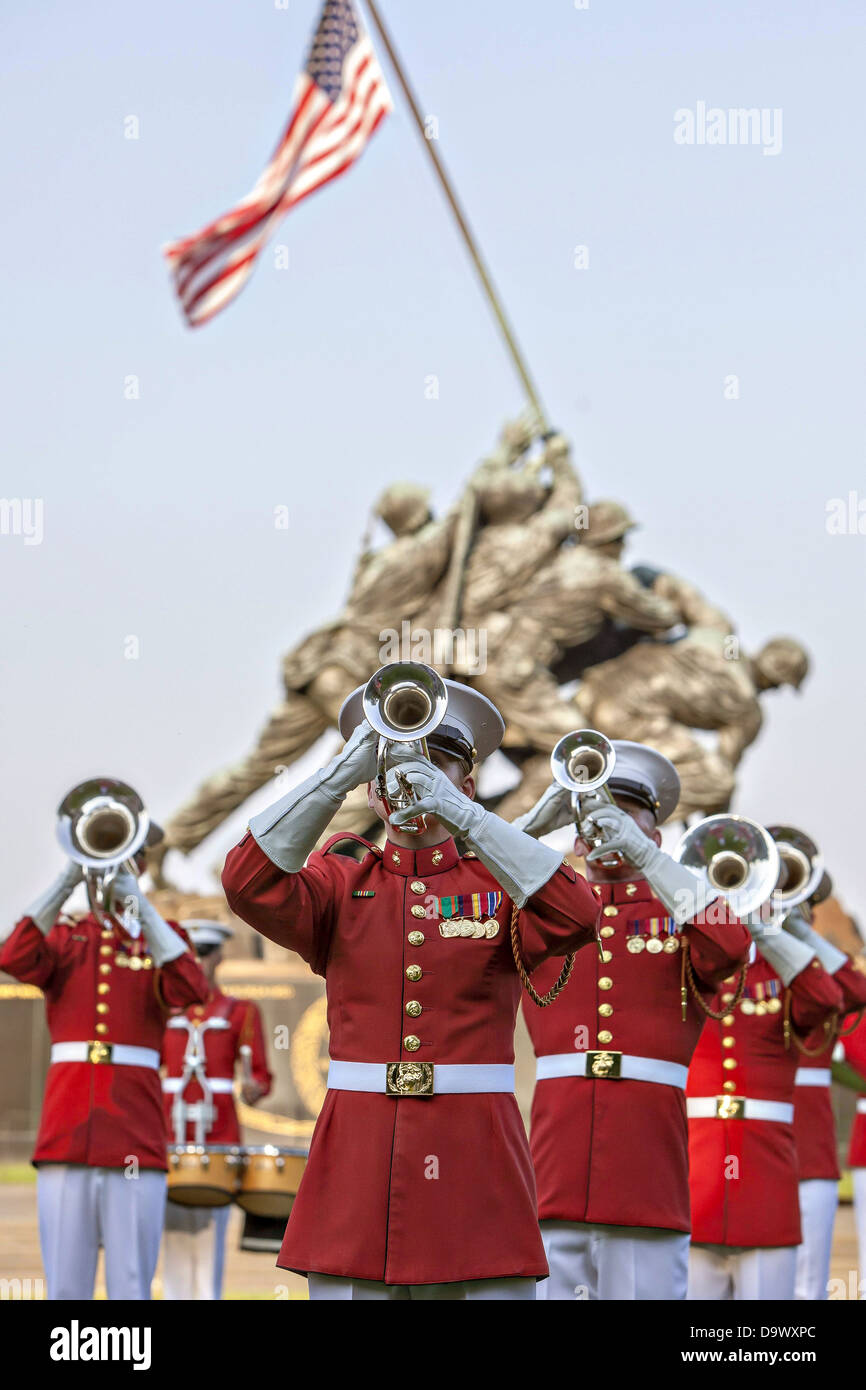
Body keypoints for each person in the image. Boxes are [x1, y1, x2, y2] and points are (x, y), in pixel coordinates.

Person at [222, 677, 601, 1299]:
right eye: (395, 761)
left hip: (476, 1169)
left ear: (469, 783)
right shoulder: (342, 881)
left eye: (439, 761)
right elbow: (247, 881)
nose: (413, 774)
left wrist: (465, 818)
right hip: (357, 1171)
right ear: (374, 791)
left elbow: (577, 914)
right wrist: (341, 772)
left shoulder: (500, 883)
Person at [514, 742, 750, 1299]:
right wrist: (530, 823)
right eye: (595, 818)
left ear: (656, 837)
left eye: (624, 818)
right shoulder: (546, 906)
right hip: (555, 1164)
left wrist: (648, 862)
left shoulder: (684, 913)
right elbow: (468, 885)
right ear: (574, 838)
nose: (605, 829)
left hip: (646, 1171)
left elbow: (731, 946)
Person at [0, 825, 208, 1300]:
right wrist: (67, 879)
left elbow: (192, 988)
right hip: (67, 1134)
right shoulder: (67, 934)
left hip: (134, 1132)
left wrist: (141, 905)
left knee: (131, 1282)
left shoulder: (164, 939)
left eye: (129, 855)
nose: (114, 864)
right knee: (65, 1287)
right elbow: (13, 956)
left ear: (144, 866)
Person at [686, 907, 845, 1300]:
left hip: (763, 1175)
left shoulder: (780, 973)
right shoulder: (687, 963)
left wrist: (774, 932)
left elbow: (838, 995)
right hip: (698, 1175)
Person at [160, 920, 272, 1300]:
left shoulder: (241, 1010)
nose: (198, 962)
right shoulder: (163, 1008)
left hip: (220, 1131)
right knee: (172, 1234)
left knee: (211, 1234)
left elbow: (258, 1075)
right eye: (191, 954)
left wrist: (254, 1089)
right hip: (169, 1129)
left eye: (205, 954)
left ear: (219, 956)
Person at [790, 893, 866, 1299]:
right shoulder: (736, 964)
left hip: (811, 1144)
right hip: (741, 1145)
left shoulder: (821, 978)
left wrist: (798, 931)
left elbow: (855, 991)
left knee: (807, 1285)